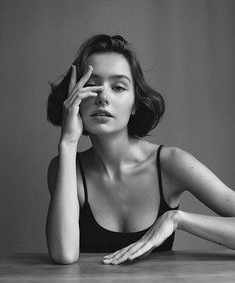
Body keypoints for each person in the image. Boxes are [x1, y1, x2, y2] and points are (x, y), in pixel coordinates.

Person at [46, 34, 235, 265]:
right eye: (92, 85)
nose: (103, 97)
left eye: (118, 87)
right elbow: (63, 254)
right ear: (74, 97)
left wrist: (177, 219)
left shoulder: (171, 162)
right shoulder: (64, 168)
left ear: (135, 103)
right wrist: (67, 142)